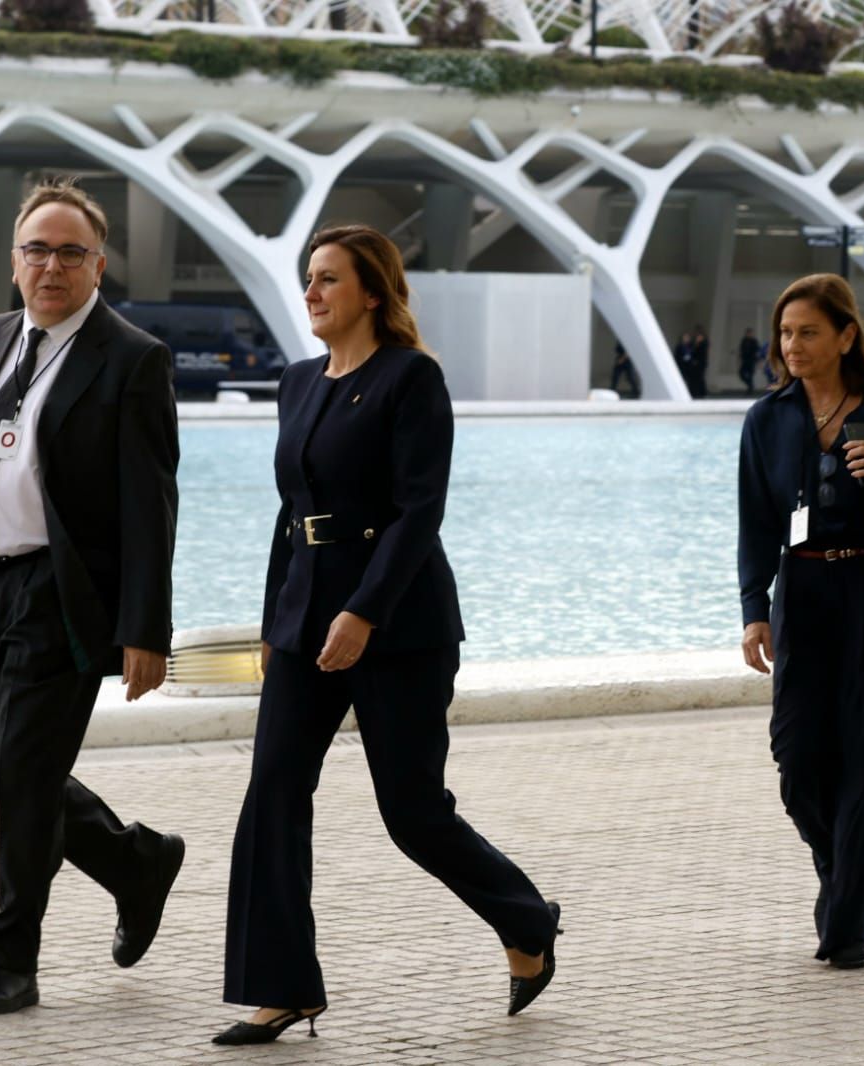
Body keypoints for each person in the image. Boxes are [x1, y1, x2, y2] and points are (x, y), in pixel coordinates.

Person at [214, 224, 562, 1047]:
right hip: (304, 622)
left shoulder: (413, 378)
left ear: (372, 292)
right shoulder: (296, 384)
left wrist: (363, 611)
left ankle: (526, 919)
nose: (311, 293)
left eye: (328, 279)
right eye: (308, 279)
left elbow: (419, 511)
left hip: (398, 624)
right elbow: (289, 517)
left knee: (411, 812)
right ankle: (282, 987)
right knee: (270, 797)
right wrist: (275, 624)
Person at [0, 178, 185, 1019]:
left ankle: (6, 960)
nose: (52, 266)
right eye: (37, 250)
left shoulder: (132, 359)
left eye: (70, 252)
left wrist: (145, 630)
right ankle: (133, 861)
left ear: (99, 264)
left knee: (23, 775)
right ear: (14, 261)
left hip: (61, 594)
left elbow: (149, 507)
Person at [737, 273, 864, 971]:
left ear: (846, 336)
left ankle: (846, 928)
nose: (792, 345)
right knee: (797, 766)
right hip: (801, 601)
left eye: (808, 332)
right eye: (785, 333)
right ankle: (840, 878)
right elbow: (755, 523)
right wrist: (752, 610)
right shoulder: (766, 419)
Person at [739, 327, 761, 394]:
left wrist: (758, 361)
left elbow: (758, 351)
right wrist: (740, 359)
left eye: (750, 333)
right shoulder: (744, 340)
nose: (749, 334)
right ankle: (750, 386)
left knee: (750, 375)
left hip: (752, 360)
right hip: (745, 360)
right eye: (748, 333)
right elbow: (741, 350)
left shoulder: (754, 341)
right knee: (741, 373)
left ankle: (750, 389)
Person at [690, 325, 710, 397]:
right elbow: (692, 350)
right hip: (696, 362)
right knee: (696, 378)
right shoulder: (695, 341)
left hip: (701, 362)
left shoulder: (704, 342)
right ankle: (696, 392)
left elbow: (704, 353)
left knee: (700, 377)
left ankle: (702, 393)